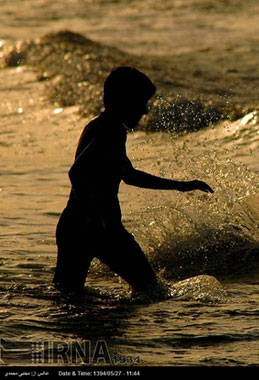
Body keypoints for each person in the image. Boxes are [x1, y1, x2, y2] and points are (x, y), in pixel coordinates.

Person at [53, 66, 214, 294]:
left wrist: (181, 186)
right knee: (153, 292)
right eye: (142, 102)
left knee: (69, 297)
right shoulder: (111, 130)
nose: (145, 110)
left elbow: (129, 176)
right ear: (125, 100)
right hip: (99, 229)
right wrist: (98, 218)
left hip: (74, 226)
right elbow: (77, 172)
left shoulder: (100, 126)